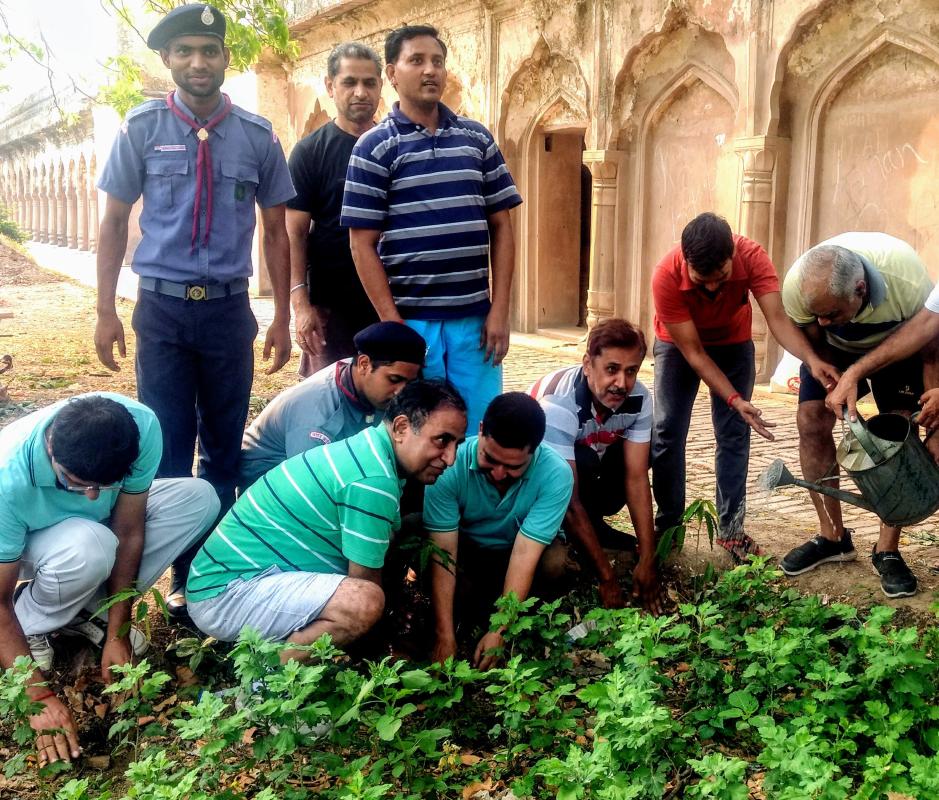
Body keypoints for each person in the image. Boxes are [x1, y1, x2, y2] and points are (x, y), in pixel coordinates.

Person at [94, 3, 295, 513]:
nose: (198, 62)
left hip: (229, 312)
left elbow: (277, 231)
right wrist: (104, 311)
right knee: (167, 449)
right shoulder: (140, 128)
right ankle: (181, 577)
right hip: (162, 312)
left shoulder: (257, 134)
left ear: (227, 56)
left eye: (209, 51)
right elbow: (114, 222)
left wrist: (282, 318)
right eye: (185, 51)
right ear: (167, 58)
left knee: (226, 449)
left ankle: (213, 573)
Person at [0, 393, 219, 767]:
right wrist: (37, 696)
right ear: (51, 446)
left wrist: (118, 630)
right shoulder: (9, 477)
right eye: (74, 481)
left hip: (87, 541)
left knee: (199, 498)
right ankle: (33, 617)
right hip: (25, 548)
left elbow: (130, 528)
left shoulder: (141, 427)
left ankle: (88, 613)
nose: (90, 496)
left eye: (104, 485)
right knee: (91, 544)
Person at [186, 380, 467, 659]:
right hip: (224, 594)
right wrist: (386, 651)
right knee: (364, 602)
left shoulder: (371, 451)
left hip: (247, 582)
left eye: (457, 444)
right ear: (402, 428)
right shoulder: (373, 479)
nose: (451, 458)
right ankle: (261, 691)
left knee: (406, 532)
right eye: (442, 440)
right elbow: (365, 582)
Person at [341, 24, 522, 434]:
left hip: (474, 324)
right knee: (414, 435)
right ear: (392, 73)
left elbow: (502, 226)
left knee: (477, 433)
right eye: (416, 60)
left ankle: (469, 501)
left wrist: (500, 309)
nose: (430, 71)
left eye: (437, 61)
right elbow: (361, 245)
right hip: (412, 322)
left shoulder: (477, 140)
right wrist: (393, 324)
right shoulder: (373, 147)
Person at [650, 213, 837, 562]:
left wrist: (810, 360)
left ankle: (731, 531)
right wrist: (734, 398)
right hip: (678, 348)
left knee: (734, 433)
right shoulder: (665, 276)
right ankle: (669, 524)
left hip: (734, 344)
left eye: (719, 277)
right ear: (685, 260)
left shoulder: (752, 256)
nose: (710, 288)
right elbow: (694, 353)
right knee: (667, 432)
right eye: (701, 280)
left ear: (732, 255)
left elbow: (778, 319)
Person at [780, 232, 937, 597]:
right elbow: (811, 338)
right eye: (815, 313)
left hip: (899, 346)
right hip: (835, 353)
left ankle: (887, 550)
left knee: (897, 432)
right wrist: (820, 366)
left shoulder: (907, 282)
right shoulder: (799, 287)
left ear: (861, 290)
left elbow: (930, 347)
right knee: (811, 420)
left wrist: (932, 412)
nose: (821, 320)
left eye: (831, 312)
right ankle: (832, 536)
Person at [426, 392, 573, 669]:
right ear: (481, 431)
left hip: (517, 553)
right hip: (468, 550)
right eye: (489, 459)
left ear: (535, 450)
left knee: (555, 563)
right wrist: (444, 635)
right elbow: (443, 551)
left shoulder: (556, 474)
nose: (498, 473)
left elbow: (525, 553)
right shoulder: (449, 466)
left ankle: (514, 614)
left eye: (513, 466)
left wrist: (500, 629)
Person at [530, 319, 663, 612]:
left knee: (647, 450)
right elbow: (568, 499)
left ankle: (596, 529)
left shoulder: (639, 397)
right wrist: (608, 578)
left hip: (588, 477)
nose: (622, 384)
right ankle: (571, 538)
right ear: (588, 364)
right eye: (612, 369)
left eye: (631, 371)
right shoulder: (557, 403)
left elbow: (637, 477)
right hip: (540, 491)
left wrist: (647, 558)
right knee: (584, 459)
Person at [287, 42, 383, 377]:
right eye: (349, 82)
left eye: (370, 83)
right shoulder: (309, 152)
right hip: (331, 306)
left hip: (390, 305)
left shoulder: (394, 147)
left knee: (394, 406)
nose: (360, 92)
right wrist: (301, 306)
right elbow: (294, 234)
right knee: (329, 405)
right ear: (330, 86)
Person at [238, 321, 427, 490]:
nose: (400, 393)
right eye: (394, 379)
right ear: (364, 364)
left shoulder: (356, 374)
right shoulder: (317, 413)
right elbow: (310, 487)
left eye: (408, 383)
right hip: (272, 489)